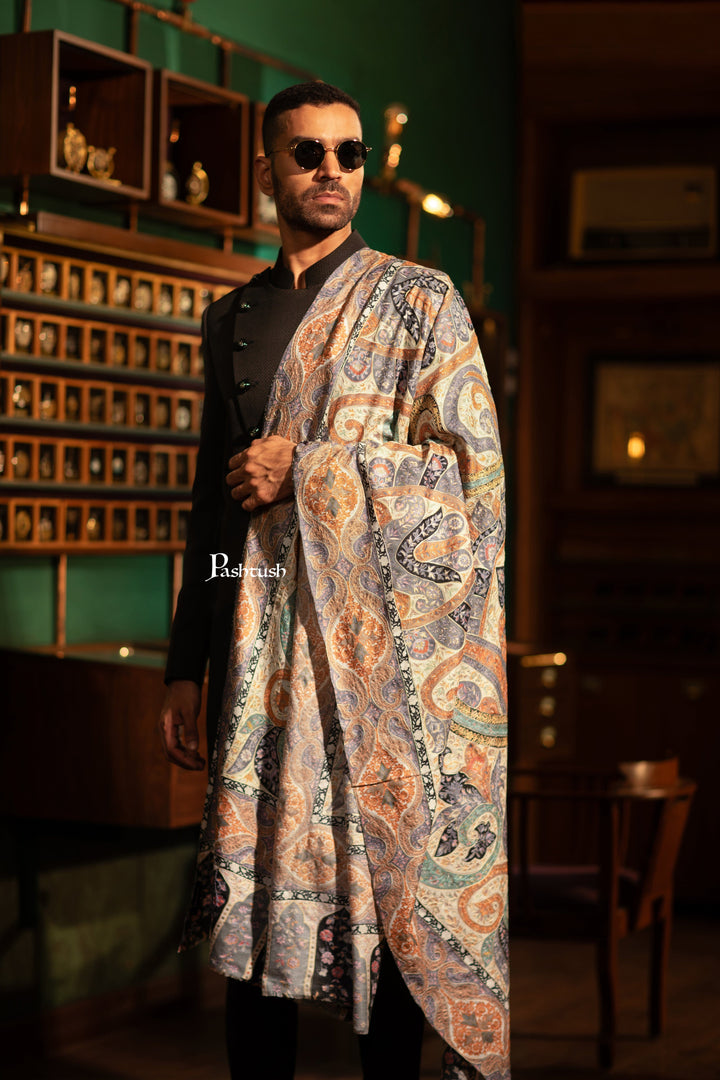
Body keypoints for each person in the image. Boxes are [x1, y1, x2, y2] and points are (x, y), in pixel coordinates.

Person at [159, 82, 509, 1080]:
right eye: (307, 153)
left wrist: (308, 469)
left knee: (383, 896)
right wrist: (186, 667)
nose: (331, 171)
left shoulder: (422, 302)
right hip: (259, 663)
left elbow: (471, 481)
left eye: (349, 154)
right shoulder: (231, 317)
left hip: (381, 675)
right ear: (267, 171)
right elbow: (214, 515)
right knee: (253, 902)